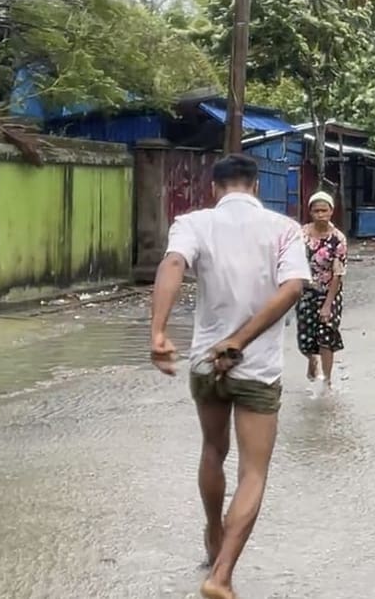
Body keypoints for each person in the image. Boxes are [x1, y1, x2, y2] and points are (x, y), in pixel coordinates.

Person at [149, 154, 310, 599]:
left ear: (215, 189)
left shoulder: (193, 222)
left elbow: (173, 266)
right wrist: (240, 341)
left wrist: (159, 332)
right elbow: (293, 287)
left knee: (212, 449)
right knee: (253, 473)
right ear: (256, 187)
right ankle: (220, 576)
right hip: (257, 369)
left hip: (205, 363)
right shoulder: (285, 228)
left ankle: (212, 533)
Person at [296, 191, 348, 393]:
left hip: (329, 292)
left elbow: (338, 274)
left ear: (331, 211)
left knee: (327, 334)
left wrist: (327, 304)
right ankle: (312, 360)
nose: (320, 214)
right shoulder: (301, 235)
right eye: (316, 210)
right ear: (310, 212)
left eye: (324, 210)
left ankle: (327, 382)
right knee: (306, 338)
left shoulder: (338, 239)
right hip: (305, 291)